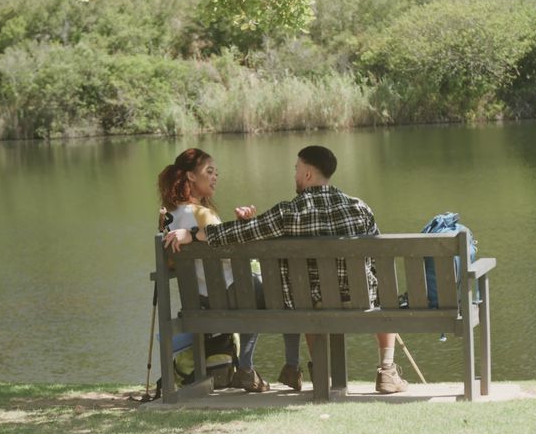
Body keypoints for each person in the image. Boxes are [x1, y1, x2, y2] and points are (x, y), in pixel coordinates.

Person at [164, 145, 409, 394]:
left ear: (307, 175)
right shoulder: (359, 208)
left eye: (296, 170)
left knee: (308, 299)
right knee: (383, 294)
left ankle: (321, 373)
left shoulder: (288, 212)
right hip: (360, 299)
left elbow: (237, 233)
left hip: (312, 303)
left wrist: (192, 234)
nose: (294, 175)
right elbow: (379, 256)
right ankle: (387, 370)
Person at [158, 148, 304, 392]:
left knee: (254, 295)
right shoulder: (203, 215)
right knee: (289, 292)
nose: (215, 177)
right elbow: (232, 256)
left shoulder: (167, 217)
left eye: (217, 172)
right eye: (210, 171)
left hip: (201, 300)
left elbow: (171, 263)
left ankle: (248, 370)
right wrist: (244, 229)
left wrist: (238, 228)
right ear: (191, 177)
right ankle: (287, 367)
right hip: (231, 293)